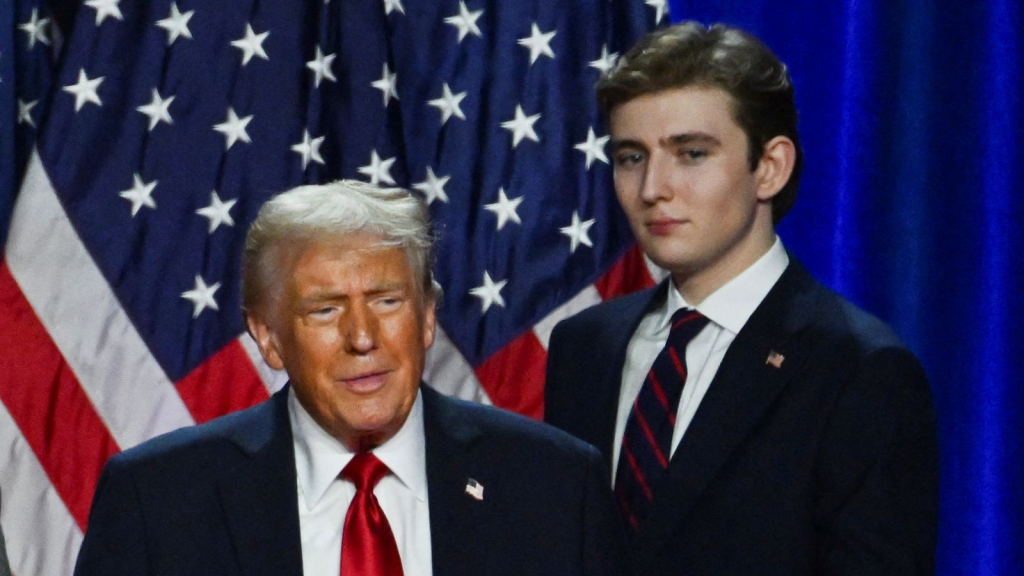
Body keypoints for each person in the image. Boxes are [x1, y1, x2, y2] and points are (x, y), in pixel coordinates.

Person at [75, 180, 629, 576]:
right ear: (267, 336)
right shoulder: (158, 501)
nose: (362, 337)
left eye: (387, 301)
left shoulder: (554, 485)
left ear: (427, 317)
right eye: (325, 309)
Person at [544, 22, 938, 575]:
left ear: (770, 168)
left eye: (691, 153)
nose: (653, 188)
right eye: (632, 157)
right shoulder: (583, 347)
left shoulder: (858, 370)